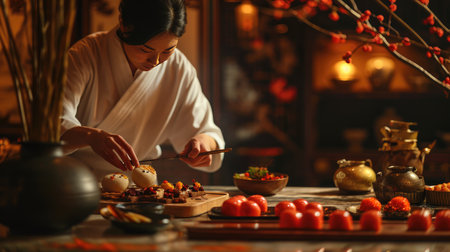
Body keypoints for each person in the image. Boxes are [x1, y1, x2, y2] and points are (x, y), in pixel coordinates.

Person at [60, 0, 225, 180]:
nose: (155, 61)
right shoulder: (85, 55)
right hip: (77, 182)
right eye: (145, 49)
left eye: (167, 50)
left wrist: (203, 145)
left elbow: (206, 132)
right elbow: (56, 124)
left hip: (139, 185)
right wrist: (91, 136)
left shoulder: (177, 67)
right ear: (124, 25)